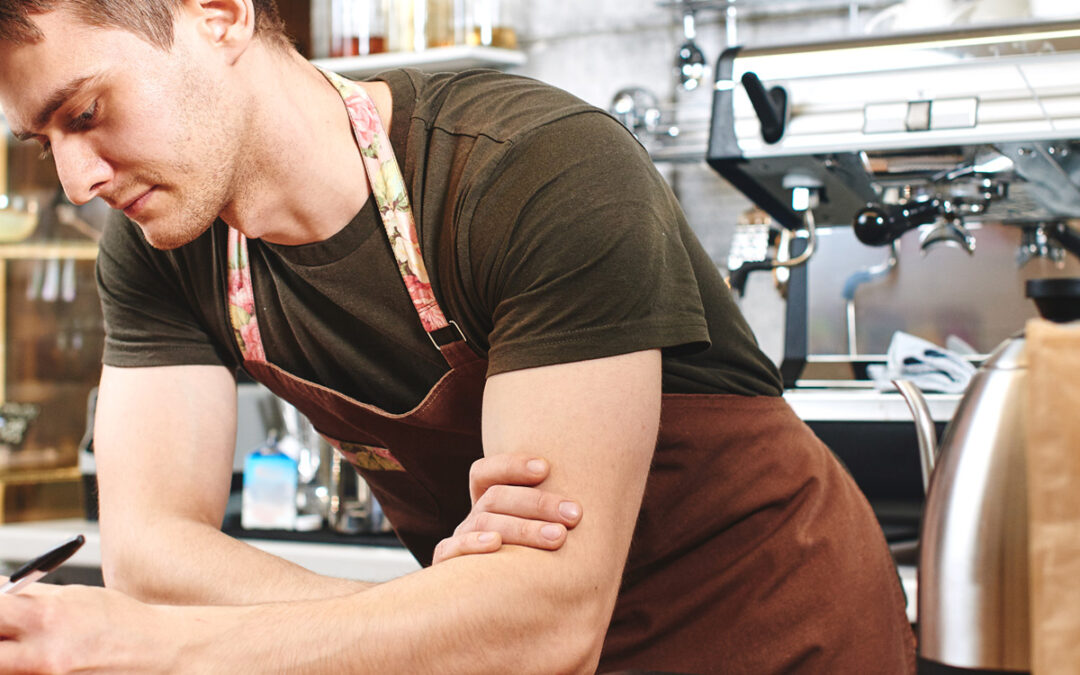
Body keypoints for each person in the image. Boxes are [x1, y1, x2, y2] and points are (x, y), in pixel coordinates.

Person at [0, 1, 916, 672]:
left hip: (773, 629)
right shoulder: (160, 244)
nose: (78, 181)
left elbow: (547, 622)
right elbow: (151, 551)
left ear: (220, 14)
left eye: (86, 113)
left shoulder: (531, 168)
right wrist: (449, 618)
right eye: (49, 142)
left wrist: (153, 646)